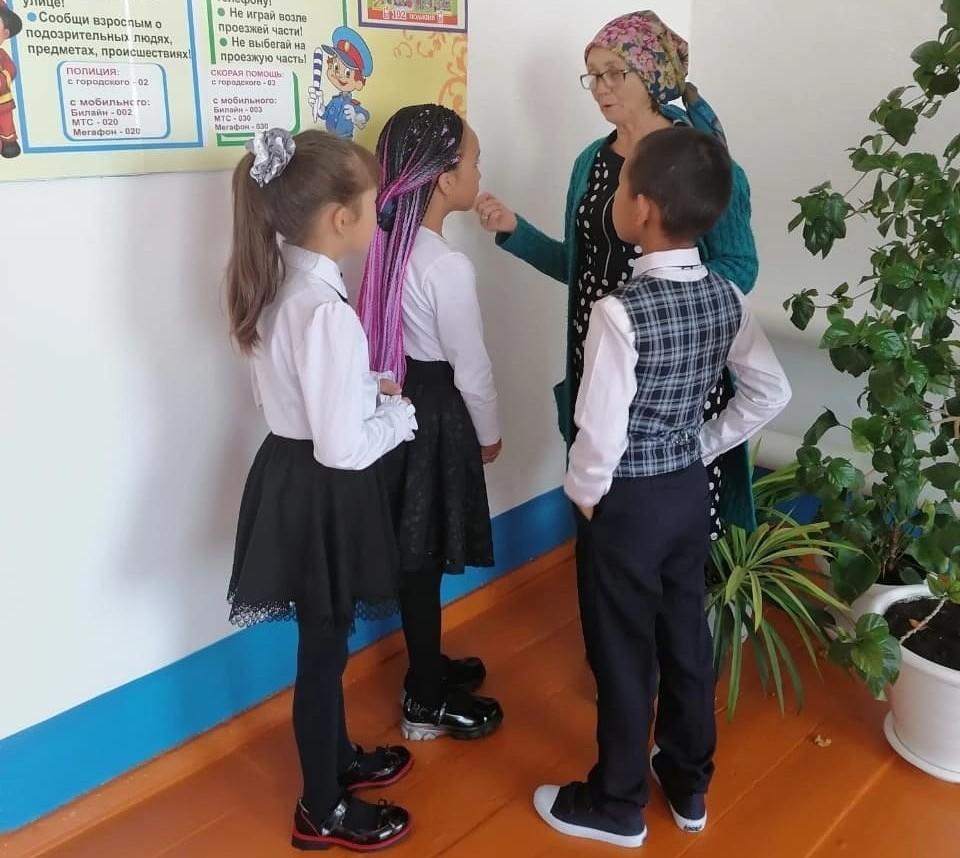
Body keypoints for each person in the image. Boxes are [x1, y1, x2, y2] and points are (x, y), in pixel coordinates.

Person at [532, 127, 791, 848]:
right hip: (686, 495)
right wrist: (702, 443)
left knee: (621, 650)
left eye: (621, 187)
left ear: (642, 208)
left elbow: (599, 428)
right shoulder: (726, 296)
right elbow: (770, 391)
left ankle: (616, 803)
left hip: (625, 503)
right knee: (684, 635)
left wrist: (585, 492)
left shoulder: (618, 312)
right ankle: (687, 780)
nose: (616, 197)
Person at [476, 10, 760, 542]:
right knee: (605, 519)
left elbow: (740, 268)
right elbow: (584, 270)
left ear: (651, 74)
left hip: (672, 376)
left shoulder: (700, 160)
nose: (600, 88)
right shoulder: (591, 162)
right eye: (593, 75)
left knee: (671, 531)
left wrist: (660, 313)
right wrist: (517, 231)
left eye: (614, 73)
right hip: (599, 361)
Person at [226, 128, 418, 852]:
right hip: (324, 489)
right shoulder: (328, 311)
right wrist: (398, 416)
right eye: (373, 204)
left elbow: (299, 393)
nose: (378, 217)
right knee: (323, 651)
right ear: (342, 218)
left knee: (324, 640)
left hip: (288, 474)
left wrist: (364, 387)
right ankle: (320, 807)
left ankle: (337, 759)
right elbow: (342, 447)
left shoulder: (278, 281)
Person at [358, 105, 504, 742]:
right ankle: (424, 699)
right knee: (421, 559)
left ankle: (426, 664)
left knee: (414, 554)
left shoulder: (385, 242)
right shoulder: (445, 265)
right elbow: (472, 368)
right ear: (445, 179)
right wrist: (490, 434)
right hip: (436, 414)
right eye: (474, 162)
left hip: (396, 407)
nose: (478, 173)